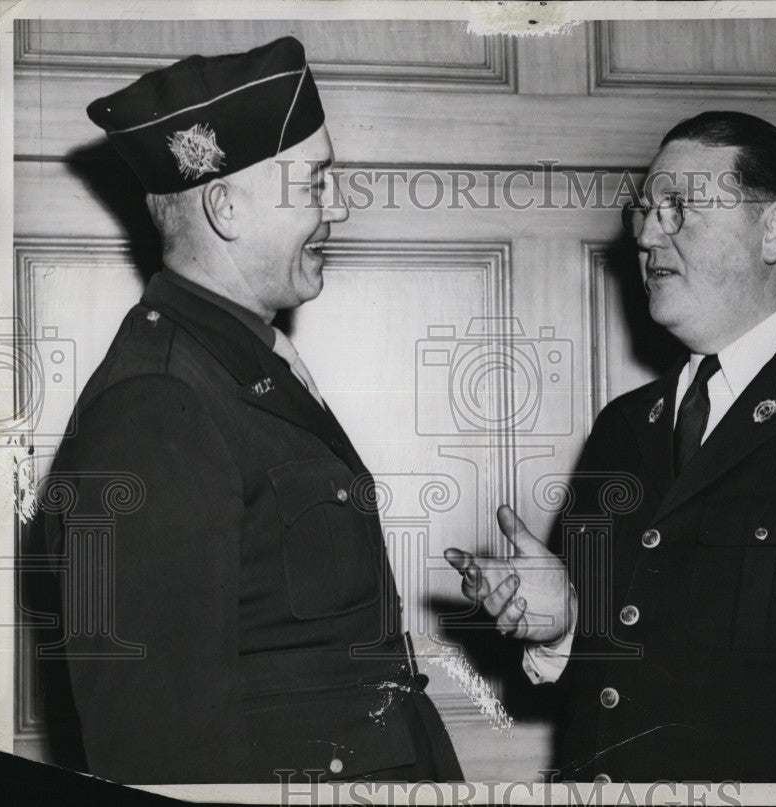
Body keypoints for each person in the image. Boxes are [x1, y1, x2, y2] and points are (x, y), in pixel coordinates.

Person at [446, 111, 776, 783]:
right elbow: (621, 676)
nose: (644, 234)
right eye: (644, 212)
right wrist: (562, 628)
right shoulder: (623, 426)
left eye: (678, 209)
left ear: (772, 230)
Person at [40, 37, 462, 784]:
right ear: (226, 206)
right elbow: (158, 744)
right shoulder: (155, 406)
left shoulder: (242, 365)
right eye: (316, 184)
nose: (341, 205)